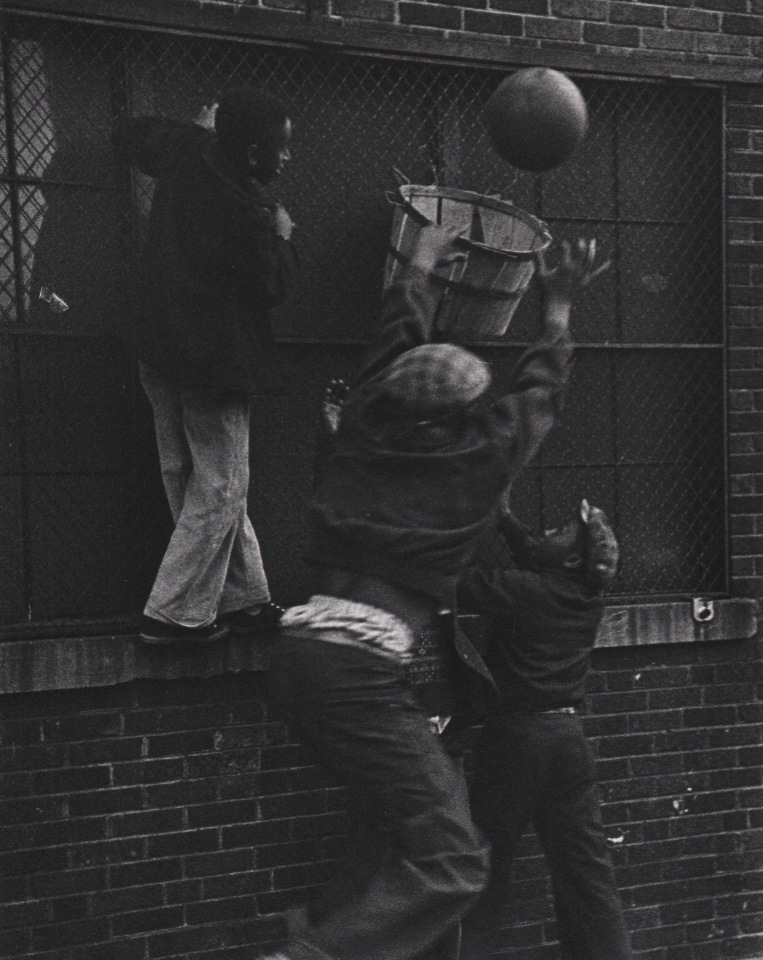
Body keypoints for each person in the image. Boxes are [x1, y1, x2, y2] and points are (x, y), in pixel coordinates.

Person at [265, 226, 609, 960]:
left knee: (391, 838)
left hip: (301, 656)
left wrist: (416, 272)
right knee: (453, 862)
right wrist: (555, 309)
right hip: (359, 672)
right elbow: (540, 391)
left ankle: (319, 934)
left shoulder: (360, 428)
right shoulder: (475, 464)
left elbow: (390, 352)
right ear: (468, 416)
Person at [112, 88, 296, 644]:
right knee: (222, 485)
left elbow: (130, 136)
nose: (286, 158)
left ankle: (242, 599)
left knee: (190, 476)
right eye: (281, 147)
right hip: (212, 362)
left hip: (159, 347)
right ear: (252, 152)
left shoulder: (190, 152)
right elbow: (273, 286)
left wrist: (197, 132)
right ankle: (173, 614)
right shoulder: (252, 212)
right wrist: (284, 237)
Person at [457, 499, 633, 960]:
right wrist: (505, 518)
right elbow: (537, 557)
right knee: (586, 872)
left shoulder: (526, 591)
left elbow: (459, 585)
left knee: (483, 862)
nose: (547, 528)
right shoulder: (583, 594)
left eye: (559, 529)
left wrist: (461, 518)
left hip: (518, 741)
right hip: (568, 744)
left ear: (571, 559)